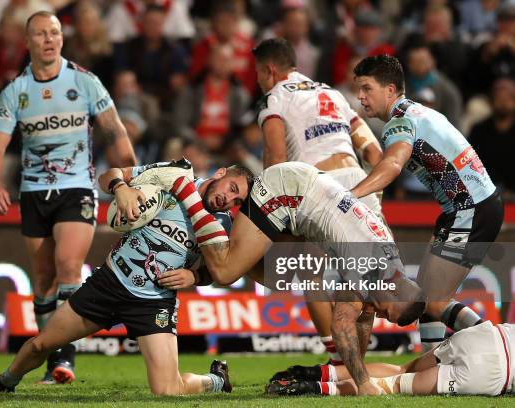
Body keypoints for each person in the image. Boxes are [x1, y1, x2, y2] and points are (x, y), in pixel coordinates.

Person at [0, 159, 252, 395]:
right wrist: (121, 188)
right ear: (221, 172)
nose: (228, 199)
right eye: (231, 187)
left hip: (153, 303)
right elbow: (108, 175)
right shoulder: (175, 173)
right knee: (40, 344)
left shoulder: (224, 224)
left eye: (236, 199)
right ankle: (3, 382)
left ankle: (215, 379)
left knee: (167, 390)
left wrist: (193, 275)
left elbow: (222, 273)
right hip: (109, 283)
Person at [168, 161, 427, 396]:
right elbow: (342, 324)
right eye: (387, 312)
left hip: (306, 192)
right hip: (286, 190)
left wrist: (352, 368)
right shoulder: (368, 265)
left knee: (273, 276)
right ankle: (194, 202)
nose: (380, 314)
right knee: (225, 273)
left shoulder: (391, 263)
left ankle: (234, 243)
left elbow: (364, 313)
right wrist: (363, 383)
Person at [0, 11, 136, 385]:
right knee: (43, 277)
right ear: (28, 42)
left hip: (77, 188)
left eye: (54, 33)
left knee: (68, 264)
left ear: (62, 39)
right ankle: (50, 359)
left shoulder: (84, 82)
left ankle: (65, 359)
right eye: (40, 34)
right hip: (34, 192)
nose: (49, 39)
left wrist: (132, 173)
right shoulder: (16, 91)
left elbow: (113, 129)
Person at [350, 55, 504, 351]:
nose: (361, 96)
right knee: (424, 298)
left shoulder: (398, 122)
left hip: (469, 210)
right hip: (467, 209)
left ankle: (499, 349)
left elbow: (393, 164)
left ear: (390, 90)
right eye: (359, 89)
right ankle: (435, 361)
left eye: (367, 88)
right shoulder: (419, 112)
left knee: (432, 300)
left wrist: (350, 196)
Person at [253, 37, 384, 366]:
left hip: (319, 186)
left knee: (309, 273)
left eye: (258, 74)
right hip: (360, 184)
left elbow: (277, 160)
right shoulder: (334, 93)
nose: (258, 82)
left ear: (270, 70)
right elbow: (373, 152)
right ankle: (355, 368)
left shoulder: (276, 98)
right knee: (361, 282)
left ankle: (338, 364)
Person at [268, 321, 514, 397]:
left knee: (402, 368)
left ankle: (316, 372)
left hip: (486, 335)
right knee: (395, 385)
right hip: (494, 371)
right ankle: (312, 387)